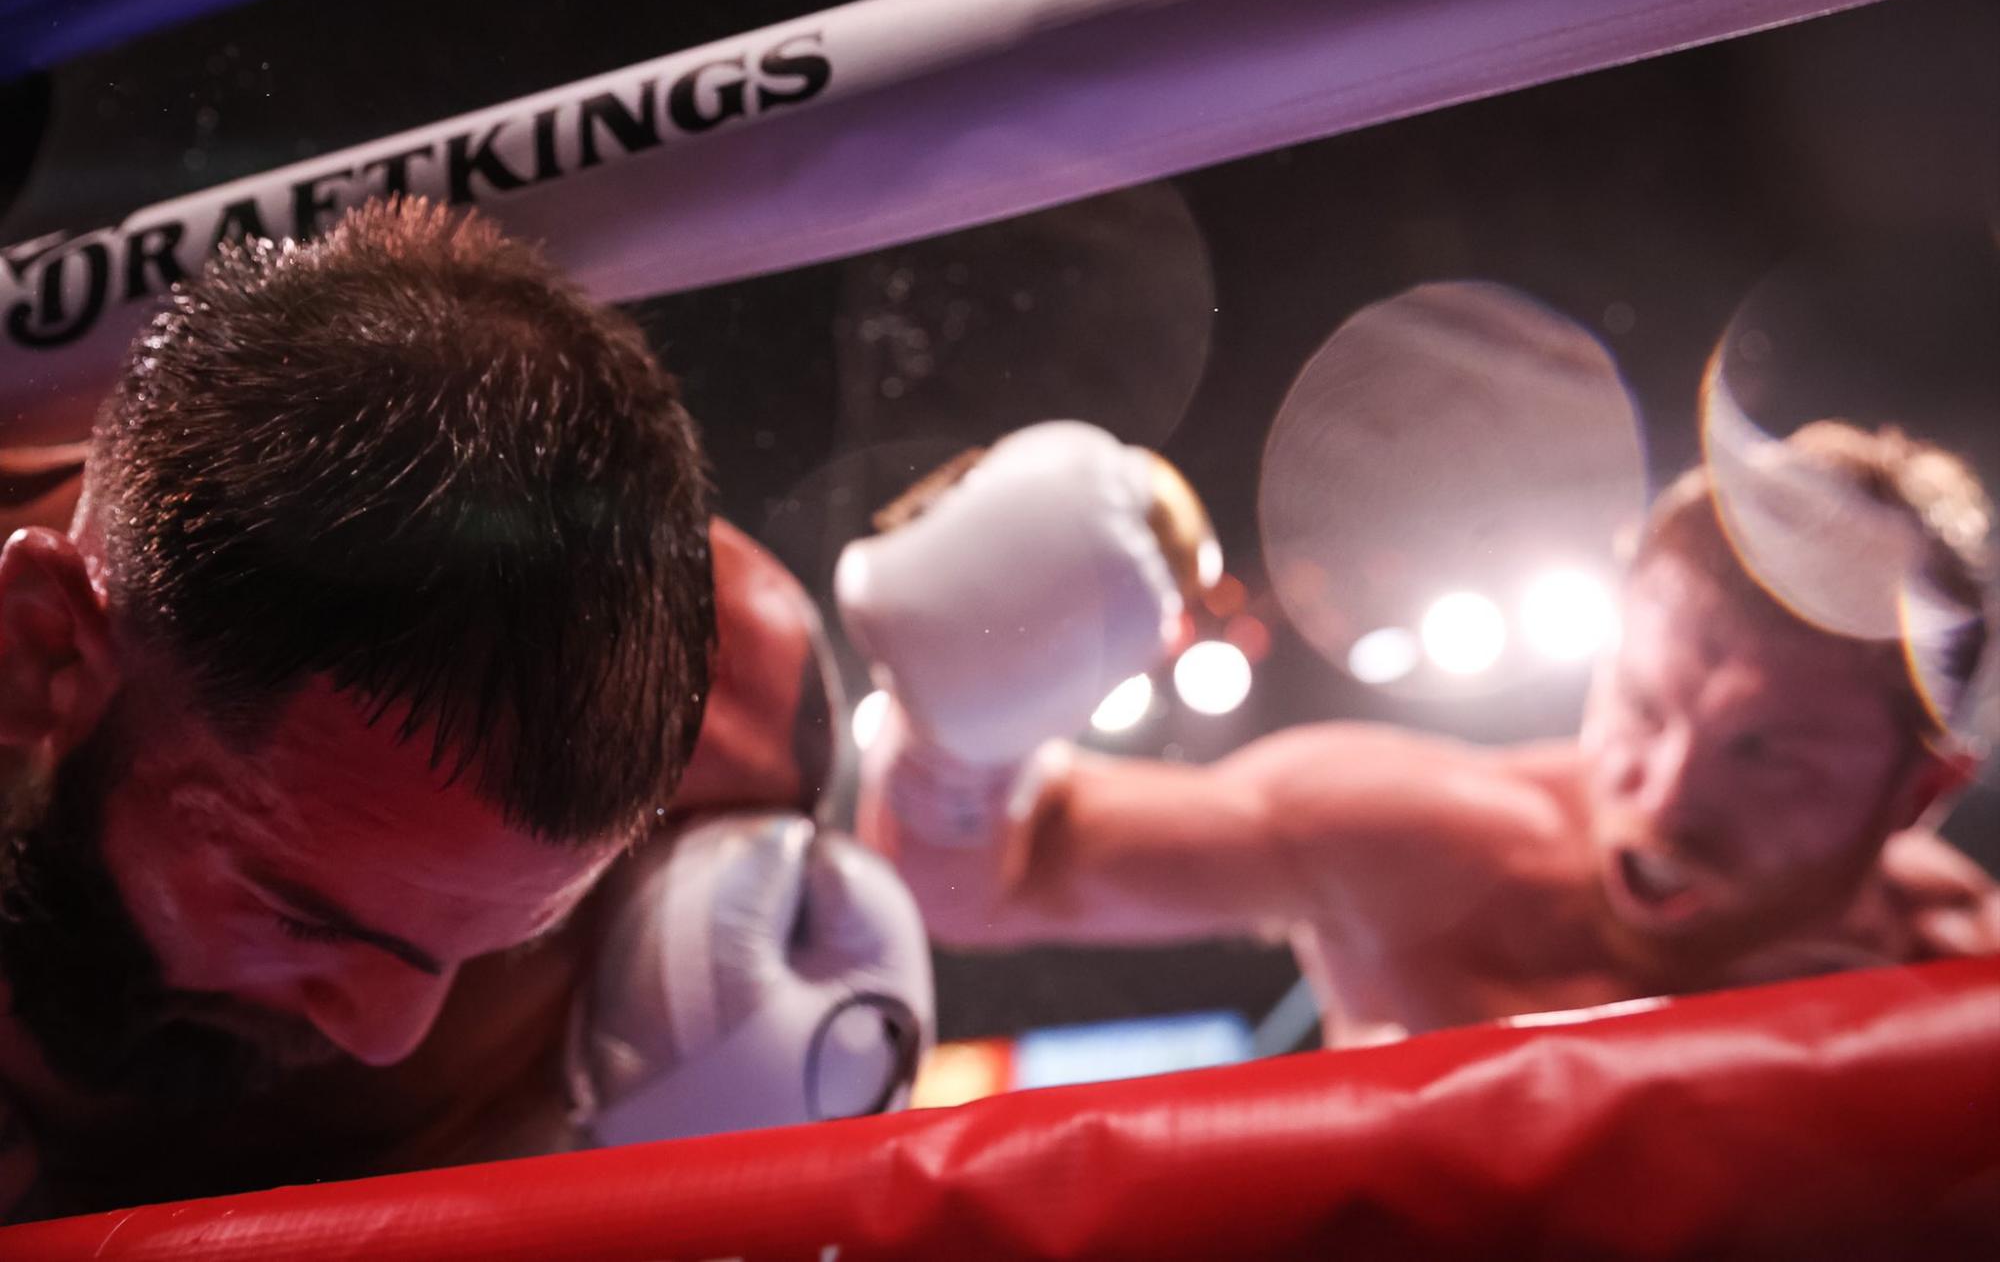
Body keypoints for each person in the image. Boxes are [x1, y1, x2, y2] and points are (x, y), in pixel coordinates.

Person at [0, 199, 929, 1221]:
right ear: (43, 651)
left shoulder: (740, 716)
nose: (384, 1032)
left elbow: (1014, 870)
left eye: (506, 938)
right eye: (297, 914)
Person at [840, 419, 2000, 1050]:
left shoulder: (1959, 980)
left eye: (1769, 754)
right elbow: (984, 888)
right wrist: (960, 729)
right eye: (1642, 706)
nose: (1664, 790)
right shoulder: (1412, 844)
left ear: (1916, 791)